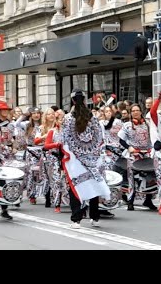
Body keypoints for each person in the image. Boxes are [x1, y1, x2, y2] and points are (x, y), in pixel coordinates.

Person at [60, 89, 110, 229]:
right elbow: (99, 138)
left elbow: (64, 139)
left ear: (73, 101)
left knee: (76, 186)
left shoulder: (68, 118)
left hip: (75, 158)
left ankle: (76, 219)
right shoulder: (93, 118)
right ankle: (95, 217)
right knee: (93, 184)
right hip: (93, 157)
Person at [117, 104, 157, 211]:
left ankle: (148, 199)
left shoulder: (148, 124)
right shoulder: (127, 125)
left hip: (147, 154)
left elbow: (154, 136)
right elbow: (121, 139)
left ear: (141, 111)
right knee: (132, 178)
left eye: (137, 110)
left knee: (150, 177)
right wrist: (129, 147)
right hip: (133, 154)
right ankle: (131, 201)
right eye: (133, 110)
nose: (135, 112)